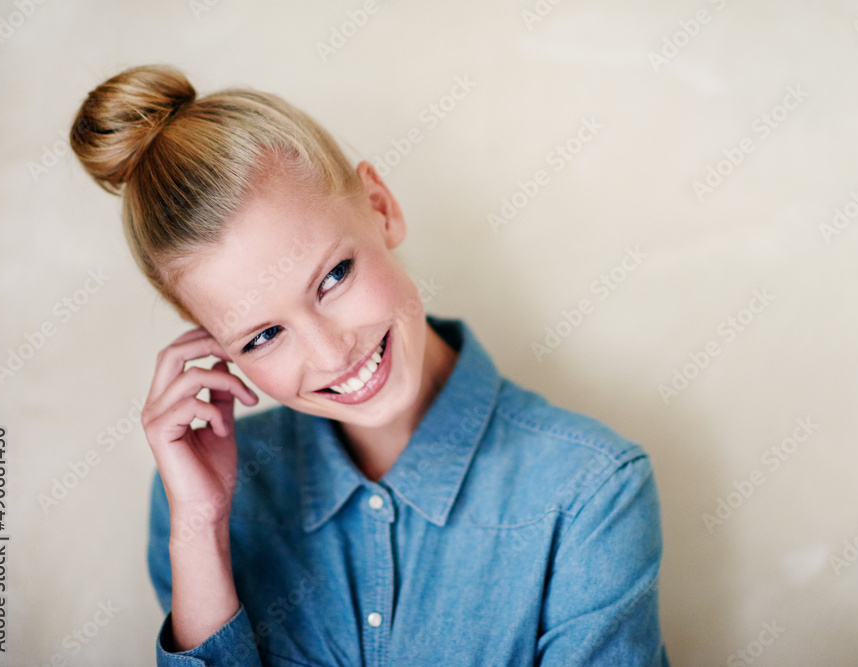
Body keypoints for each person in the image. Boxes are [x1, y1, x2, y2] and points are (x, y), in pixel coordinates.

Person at [69, 64, 671, 666]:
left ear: (381, 207)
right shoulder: (202, 506)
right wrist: (200, 528)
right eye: (264, 336)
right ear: (213, 346)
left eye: (334, 277)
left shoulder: (591, 494)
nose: (333, 354)